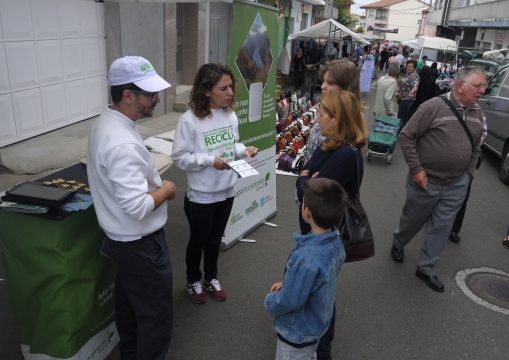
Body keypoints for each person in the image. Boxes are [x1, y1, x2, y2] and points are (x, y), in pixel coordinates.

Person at [87, 56, 176, 359]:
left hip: (123, 242)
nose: (157, 99)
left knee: (130, 310)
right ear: (127, 96)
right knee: (156, 318)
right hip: (140, 245)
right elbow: (138, 207)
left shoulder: (109, 122)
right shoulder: (121, 141)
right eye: (150, 94)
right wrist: (166, 189)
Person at [390, 67, 487, 292]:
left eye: (484, 86)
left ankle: (426, 268)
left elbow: (475, 149)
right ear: (460, 86)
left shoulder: (477, 113)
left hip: (456, 183)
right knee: (413, 219)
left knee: (442, 227)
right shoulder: (433, 106)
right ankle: (399, 242)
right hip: (425, 180)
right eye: (478, 86)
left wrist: (468, 175)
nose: (482, 91)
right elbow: (406, 136)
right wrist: (416, 169)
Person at [171, 63, 258, 304]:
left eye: (231, 87)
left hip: (227, 192)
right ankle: (192, 281)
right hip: (201, 197)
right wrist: (210, 161)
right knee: (198, 242)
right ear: (207, 90)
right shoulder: (189, 120)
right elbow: (179, 158)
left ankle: (211, 278)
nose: (230, 92)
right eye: (224, 88)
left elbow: (233, 145)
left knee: (215, 240)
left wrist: (244, 151)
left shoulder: (229, 114)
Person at [296, 90, 367, 360]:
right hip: (315, 228)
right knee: (315, 285)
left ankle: (321, 350)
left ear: (337, 119)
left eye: (322, 114)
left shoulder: (344, 155)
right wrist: (305, 178)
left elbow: (308, 190)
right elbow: (306, 174)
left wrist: (304, 180)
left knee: (320, 290)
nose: (317, 118)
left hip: (325, 234)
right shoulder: (331, 145)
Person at [265, 178, 347, 360]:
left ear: (307, 211)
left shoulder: (307, 260)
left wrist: (271, 301)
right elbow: (317, 280)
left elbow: (290, 300)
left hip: (297, 333)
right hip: (316, 326)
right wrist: (288, 283)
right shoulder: (335, 240)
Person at [304, 59, 364, 163]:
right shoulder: (327, 106)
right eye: (323, 81)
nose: (322, 86)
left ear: (346, 86)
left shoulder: (351, 118)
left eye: (330, 83)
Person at [396, 59, 419, 130]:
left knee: (401, 119)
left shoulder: (414, 76)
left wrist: (412, 91)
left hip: (407, 100)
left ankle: (399, 134)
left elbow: (415, 86)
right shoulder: (407, 74)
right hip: (402, 99)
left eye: (410, 66)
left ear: (414, 68)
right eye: (407, 66)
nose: (408, 68)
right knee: (403, 118)